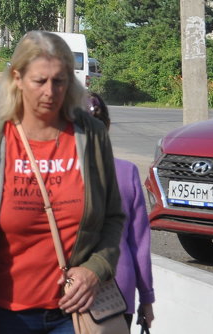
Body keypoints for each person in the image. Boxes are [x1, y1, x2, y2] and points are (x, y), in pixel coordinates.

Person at [0, 31, 125, 334]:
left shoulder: (91, 136)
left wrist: (96, 269)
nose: (50, 92)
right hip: (5, 316)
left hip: (76, 314)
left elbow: (113, 217)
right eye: (39, 81)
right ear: (17, 77)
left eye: (60, 81)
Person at [86, 93, 155, 331]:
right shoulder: (127, 172)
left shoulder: (56, 175)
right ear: (107, 126)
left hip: (69, 291)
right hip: (118, 291)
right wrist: (147, 298)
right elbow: (139, 244)